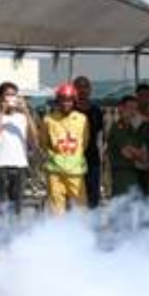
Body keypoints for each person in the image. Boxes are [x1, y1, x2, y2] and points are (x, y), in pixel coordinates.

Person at [0, 81, 38, 220]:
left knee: (16, 206)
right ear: (0, 98)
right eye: (7, 95)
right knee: (0, 205)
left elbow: (34, 139)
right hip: (0, 166)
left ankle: (14, 235)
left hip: (20, 165)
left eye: (13, 95)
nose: (11, 98)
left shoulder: (22, 117)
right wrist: (2, 112)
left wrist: (26, 111)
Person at [41, 83, 90, 214]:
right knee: (56, 209)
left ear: (74, 101)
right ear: (58, 101)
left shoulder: (82, 119)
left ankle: (81, 233)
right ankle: (58, 234)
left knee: (81, 207)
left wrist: (72, 157)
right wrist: (55, 157)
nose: (66, 103)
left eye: (69, 100)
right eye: (62, 100)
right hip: (55, 171)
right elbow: (43, 143)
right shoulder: (48, 120)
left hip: (75, 171)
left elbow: (85, 143)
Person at [106, 94, 149, 199]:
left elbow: (144, 153)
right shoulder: (117, 128)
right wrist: (140, 154)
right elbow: (127, 153)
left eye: (135, 109)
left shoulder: (133, 129)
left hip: (134, 175)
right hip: (121, 176)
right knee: (122, 207)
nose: (133, 112)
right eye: (130, 107)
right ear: (121, 108)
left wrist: (139, 154)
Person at [73, 76, 105, 209]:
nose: (82, 90)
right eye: (79, 87)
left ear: (90, 89)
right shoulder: (70, 109)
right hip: (72, 157)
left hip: (92, 157)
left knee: (93, 194)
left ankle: (93, 225)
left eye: (85, 87)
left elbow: (102, 133)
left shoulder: (97, 110)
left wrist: (103, 153)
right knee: (75, 194)